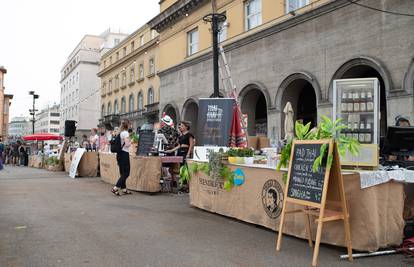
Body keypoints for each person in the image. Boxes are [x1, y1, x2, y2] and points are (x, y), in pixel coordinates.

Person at [111, 121, 132, 196]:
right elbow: (127, 144)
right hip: (124, 154)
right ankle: (115, 188)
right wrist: (131, 141)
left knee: (122, 173)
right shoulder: (125, 133)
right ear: (128, 125)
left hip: (119, 154)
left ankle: (124, 189)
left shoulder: (120, 133)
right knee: (126, 173)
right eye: (130, 124)